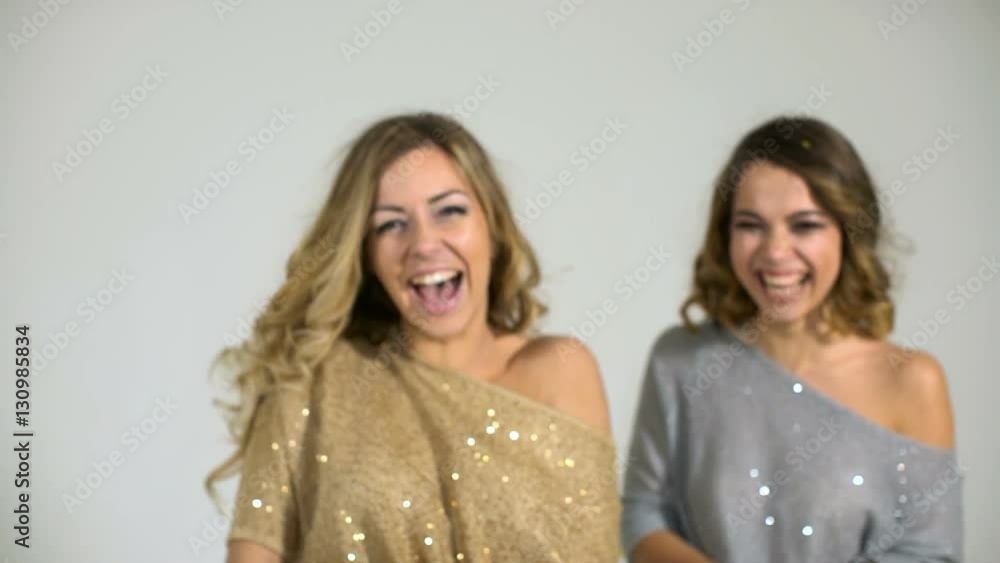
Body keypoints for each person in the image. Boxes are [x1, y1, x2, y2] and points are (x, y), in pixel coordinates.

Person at [205, 112, 622, 563]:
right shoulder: (310, 378)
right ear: (365, 252)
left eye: (449, 211)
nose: (423, 243)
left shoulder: (563, 369)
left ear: (493, 225)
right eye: (391, 224)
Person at [621, 116, 963, 562]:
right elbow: (643, 514)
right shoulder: (682, 360)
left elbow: (930, 552)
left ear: (848, 233)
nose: (775, 252)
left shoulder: (913, 381)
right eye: (750, 224)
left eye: (804, 225)